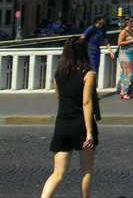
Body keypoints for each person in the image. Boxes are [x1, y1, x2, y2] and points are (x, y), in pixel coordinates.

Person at [41, 36, 98, 198]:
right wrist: (89, 132)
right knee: (86, 169)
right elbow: (86, 103)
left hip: (62, 124)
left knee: (58, 173)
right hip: (81, 124)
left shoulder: (58, 73)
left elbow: (59, 99)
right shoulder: (88, 74)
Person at [117, 16, 133, 99]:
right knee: (127, 74)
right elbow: (119, 43)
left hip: (132, 55)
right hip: (125, 55)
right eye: (131, 21)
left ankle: (131, 91)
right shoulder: (124, 32)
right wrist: (131, 41)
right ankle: (124, 92)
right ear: (127, 22)